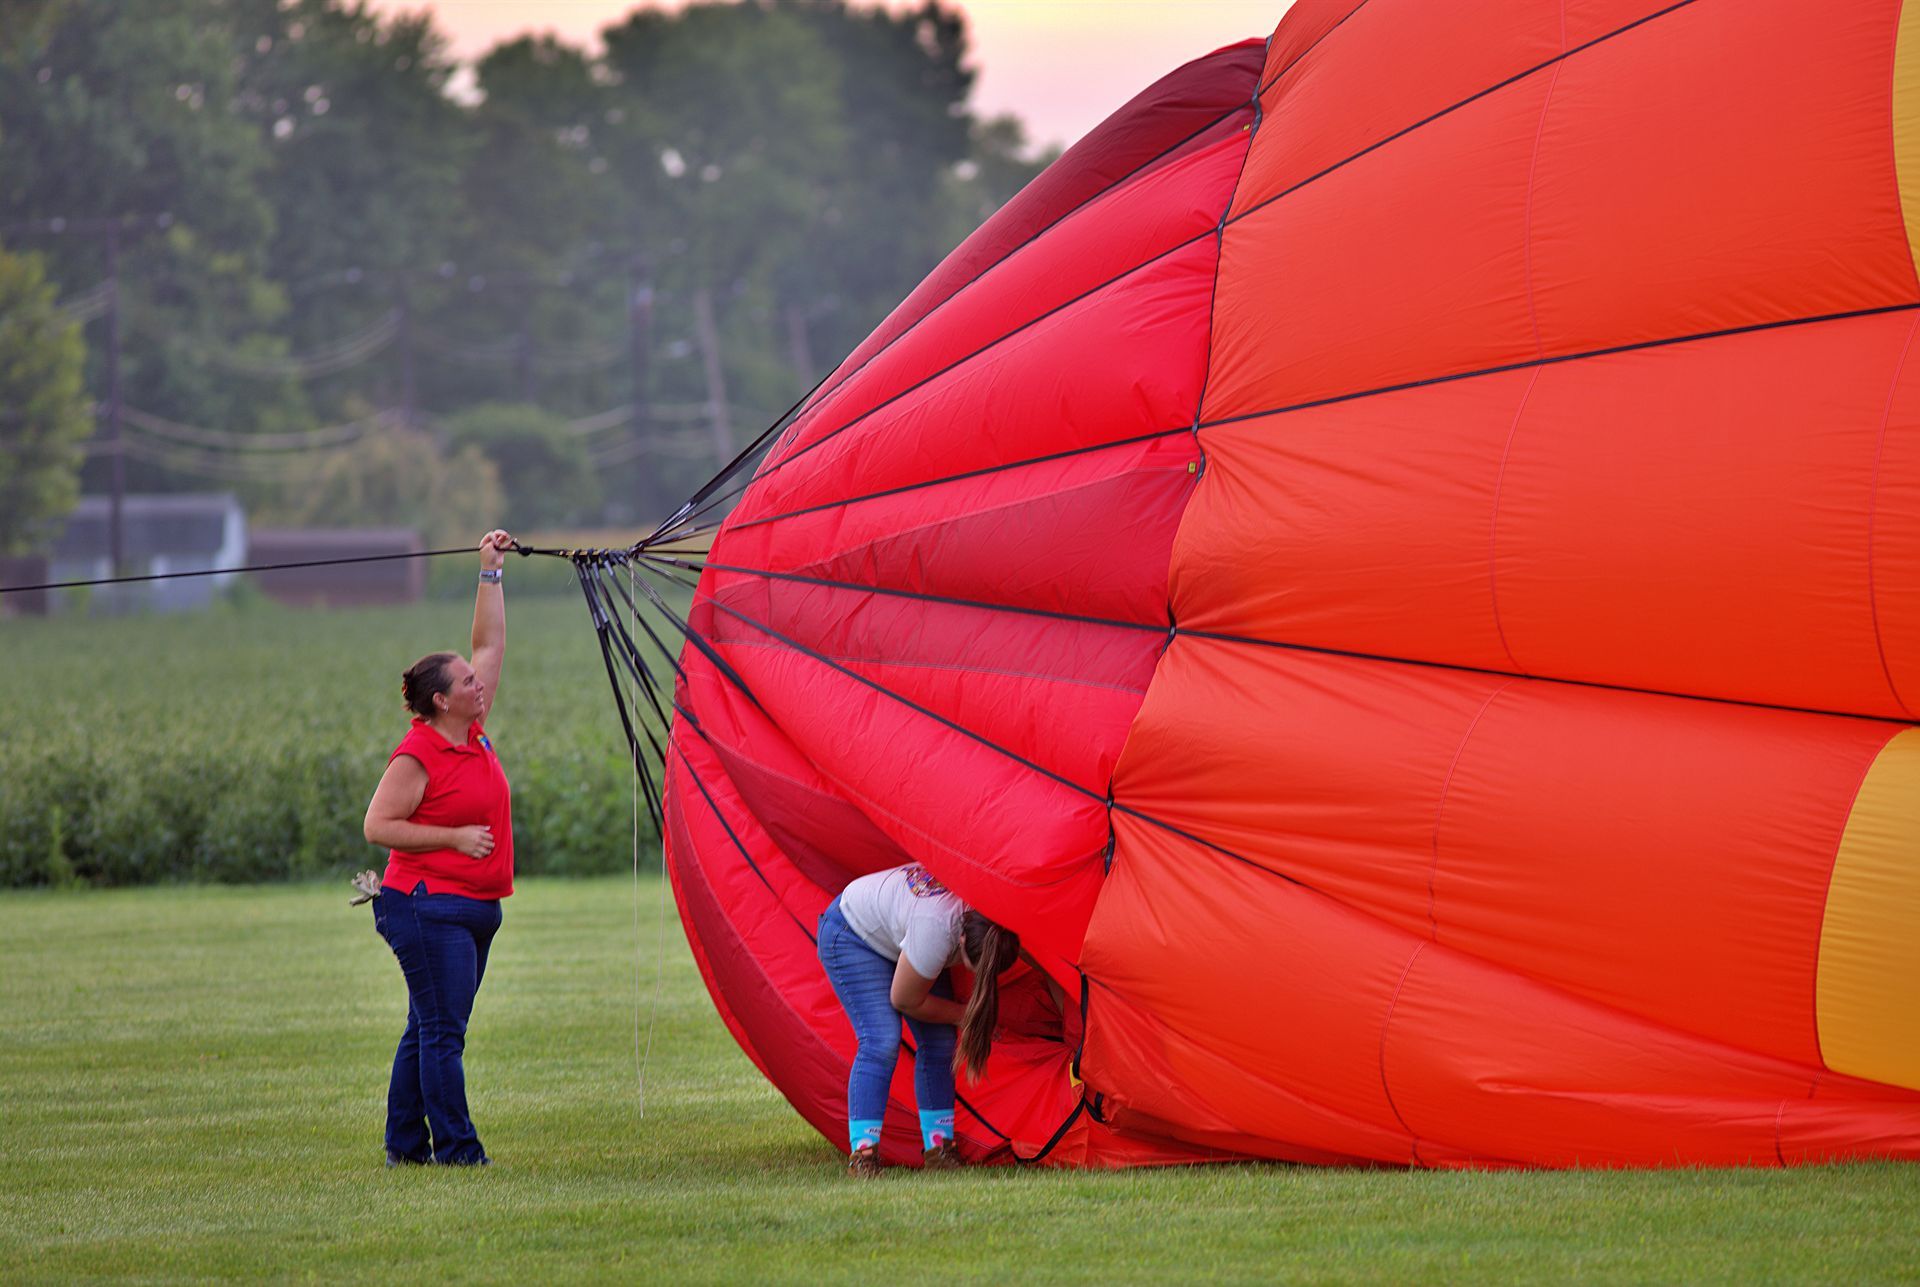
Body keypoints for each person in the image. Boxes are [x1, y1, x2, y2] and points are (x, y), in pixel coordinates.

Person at [361, 529, 515, 1167]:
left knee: (427, 1027)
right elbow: (378, 825)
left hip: (474, 905)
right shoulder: (418, 751)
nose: (478, 681)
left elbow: (489, 642)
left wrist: (490, 571)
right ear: (439, 700)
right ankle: (457, 1152)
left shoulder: (471, 732)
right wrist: (453, 837)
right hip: (426, 906)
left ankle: (404, 1146)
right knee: (444, 1033)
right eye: (464, 681)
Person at [816, 862, 1022, 1177]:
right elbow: (905, 1000)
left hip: (901, 932)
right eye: (973, 968)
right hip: (852, 933)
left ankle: (940, 1150)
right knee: (881, 1039)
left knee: (939, 1043)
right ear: (963, 942)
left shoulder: (993, 914)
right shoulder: (937, 928)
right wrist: (965, 1016)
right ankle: (863, 1156)